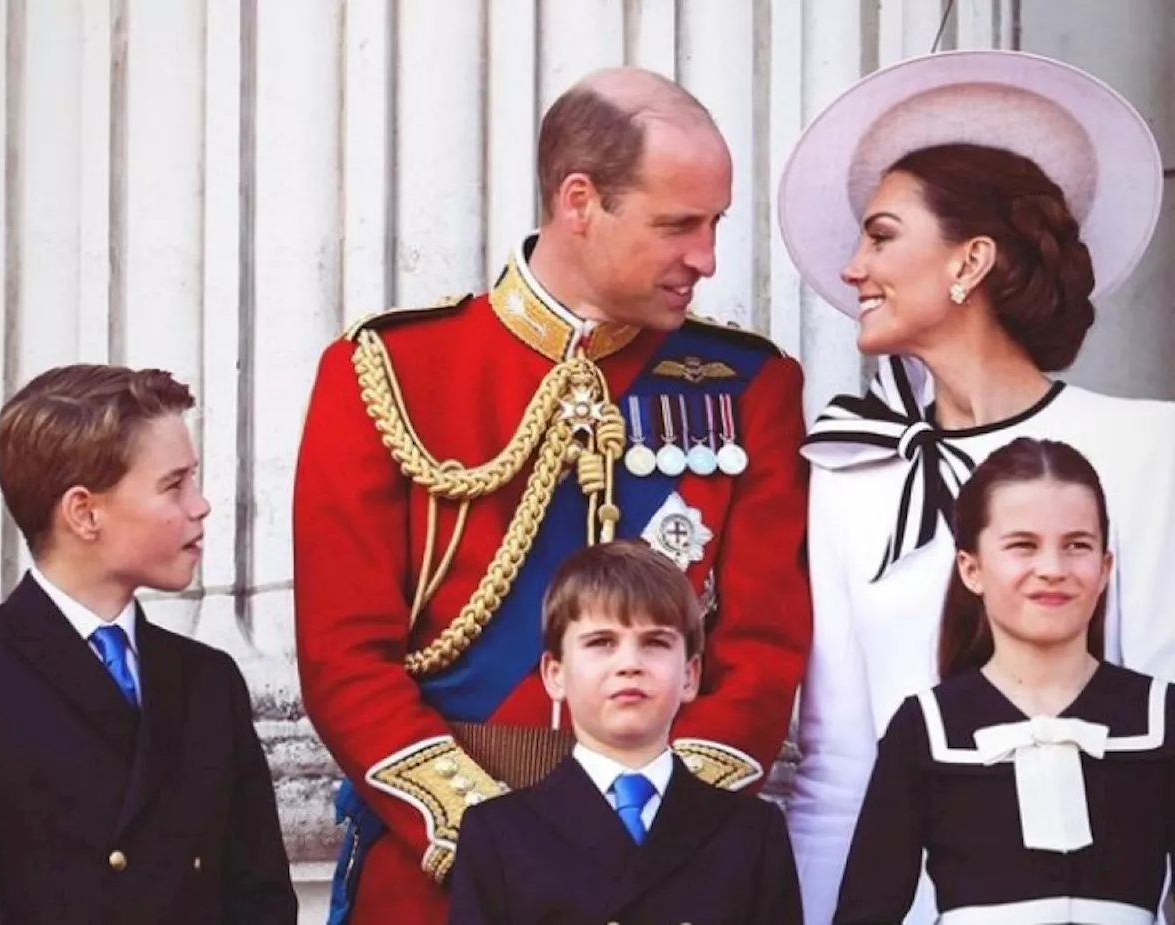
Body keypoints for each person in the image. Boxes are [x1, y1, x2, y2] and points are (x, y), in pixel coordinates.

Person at [294, 66, 811, 925]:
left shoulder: (748, 383)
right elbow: (344, 659)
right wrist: (500, 837)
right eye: (678, 224)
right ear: (580, 202)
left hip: (667, 869)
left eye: (716, 223)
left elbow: (761, 652)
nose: (707, 258)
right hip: (438, 874)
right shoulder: (388, 372)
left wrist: (658, 831)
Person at [776, 49, 1175, 924]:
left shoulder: (1150, 451)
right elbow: (840, 763)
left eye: (881, 236)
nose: (851, 269)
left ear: (971, 261)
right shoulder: (849, 470)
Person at [0, 365, 298, 925]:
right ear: (85, 513)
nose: (199, 505)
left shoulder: (209, 680)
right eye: (173, 484)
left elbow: (261, 899)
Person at [834, 437, 1175, 923]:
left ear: (1104, 569)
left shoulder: (1161, 716)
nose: (1053, 570)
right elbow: (866, 912)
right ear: (971, 568)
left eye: (1077, 545)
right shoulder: (925, 727)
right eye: (1023, 546)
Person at [447, 541, 802, 925]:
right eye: (602, 643)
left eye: (655, 643)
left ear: (690, 675)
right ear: (555, 674)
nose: (629, 664)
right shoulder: (499, 835)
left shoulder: (751, 834)